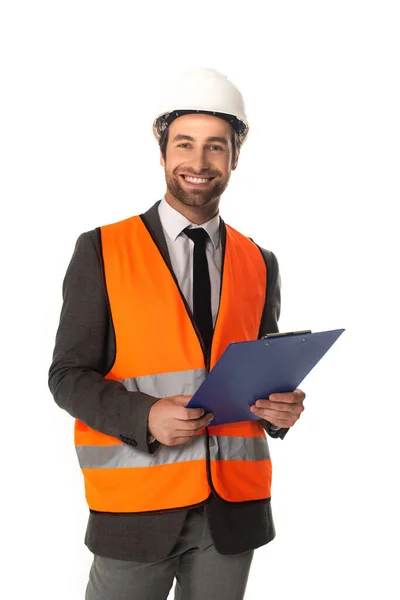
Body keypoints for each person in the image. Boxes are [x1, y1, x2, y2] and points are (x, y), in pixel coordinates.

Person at [48, 67, 306, 600]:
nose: (199, 161)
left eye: (216, 147)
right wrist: (143, 415)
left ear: (235, 157)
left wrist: (281, 408)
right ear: (163, 152)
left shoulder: (261, 261)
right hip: (135, 510)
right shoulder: (101, 250)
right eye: (185, 143)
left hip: (232, 515)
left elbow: (261, 368)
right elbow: (67, 376)